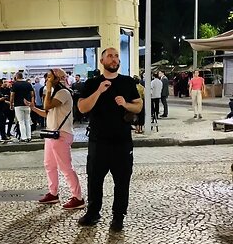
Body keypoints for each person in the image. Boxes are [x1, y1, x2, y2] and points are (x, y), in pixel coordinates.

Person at [77, 47, 142, 232]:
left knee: (122, 181)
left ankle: (118, 217)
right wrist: (99, 91)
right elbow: (82, 108)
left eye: (116, 56)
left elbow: (138, 106)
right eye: (110, 56)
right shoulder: (91, 83)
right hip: (99, 141)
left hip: (122, 141)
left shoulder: (128, 82)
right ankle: (93, 213)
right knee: (94, 180)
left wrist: (126, 104)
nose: (114, 59)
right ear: (102, 61)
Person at [26, 68, 85, 210]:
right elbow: (48, 113)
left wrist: (47, 89)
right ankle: (53, 193)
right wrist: (33, 108)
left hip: (62, 134)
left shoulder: (63, 93)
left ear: (58, 79)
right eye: (46, 78)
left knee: (65, 167)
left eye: (50, 78)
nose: (47, 80)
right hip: (52, 134)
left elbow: (47, 105)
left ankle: (78, 197)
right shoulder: (55, 93)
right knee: (49, 165)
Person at [10, 72, 34, 142]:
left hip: (18, 105)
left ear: (16, 77)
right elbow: (32, 94)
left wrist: (11, 104)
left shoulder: (14, 85)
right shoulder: (28, 84)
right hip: (27, 105)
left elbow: (12, 95)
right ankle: (29, 136)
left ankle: (24, 137)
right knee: (27, 121)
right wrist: (32, 103)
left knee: (21, 122)